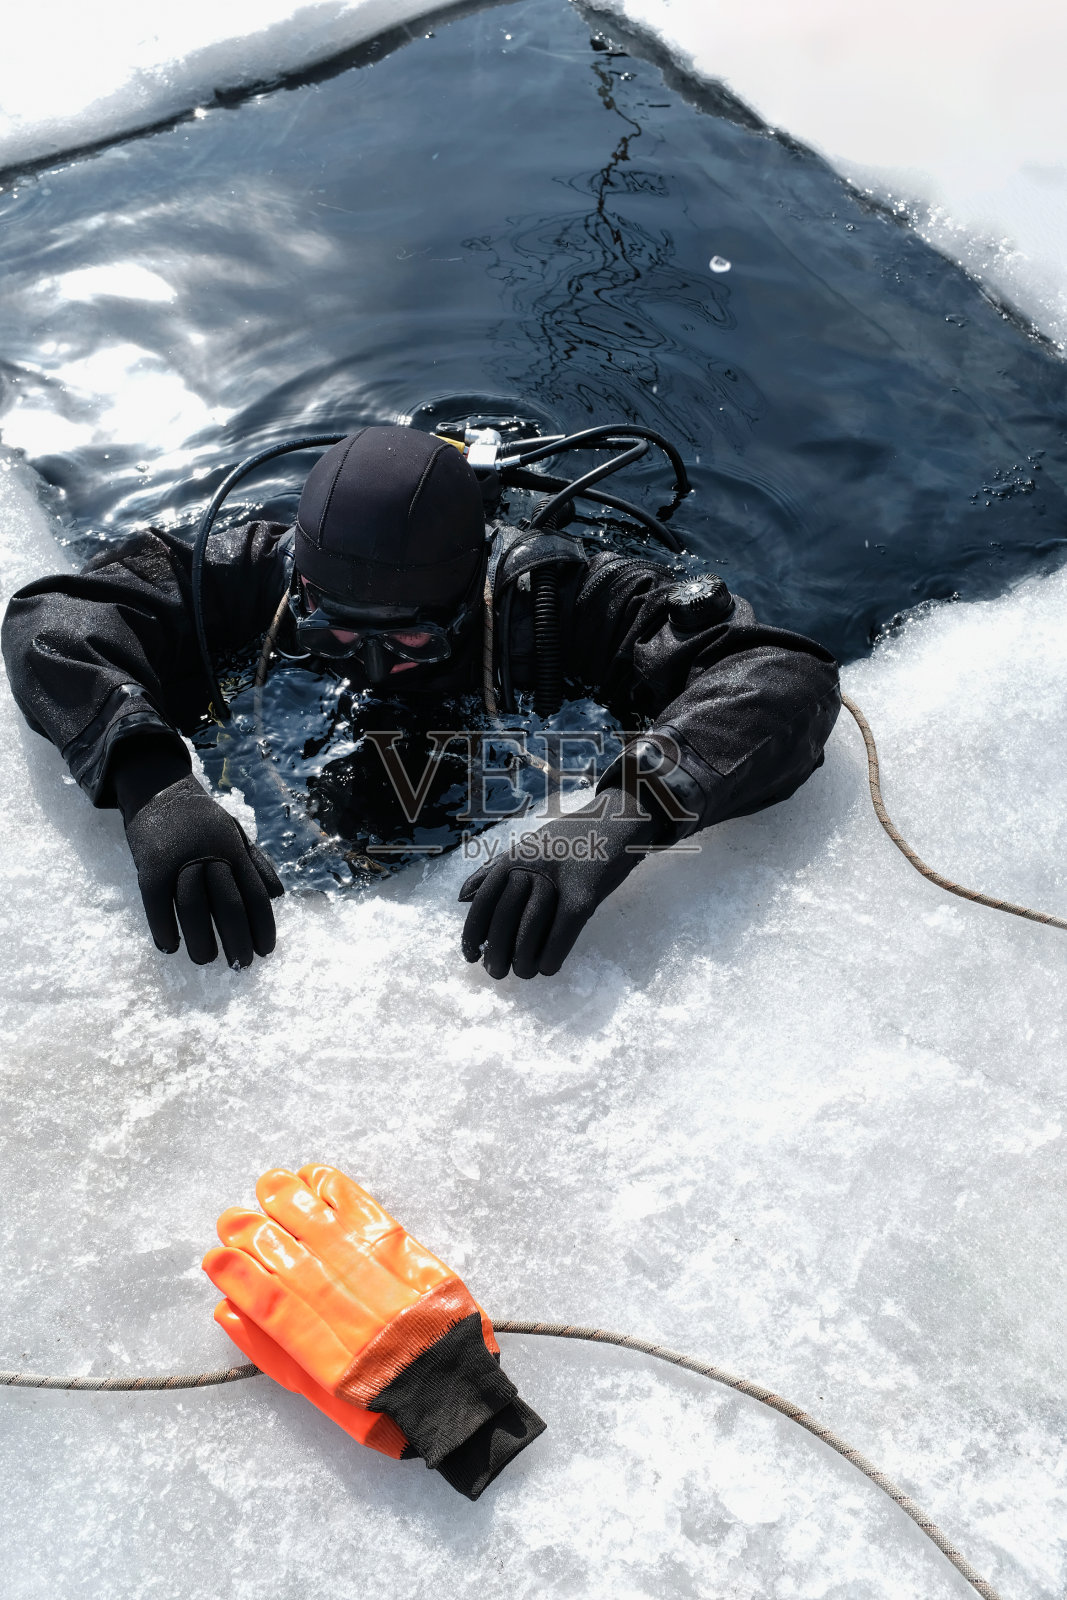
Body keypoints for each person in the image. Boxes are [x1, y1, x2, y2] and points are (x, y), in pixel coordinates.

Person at [1, 424, 841, 978]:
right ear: (300, 582)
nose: (369, 668)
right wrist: (150, 780)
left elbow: (779, 677)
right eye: (334, 637)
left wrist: (617, 815)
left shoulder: (562, 599)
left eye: (406, 644)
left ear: (464, 598)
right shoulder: (255, 568)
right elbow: (54, 617)